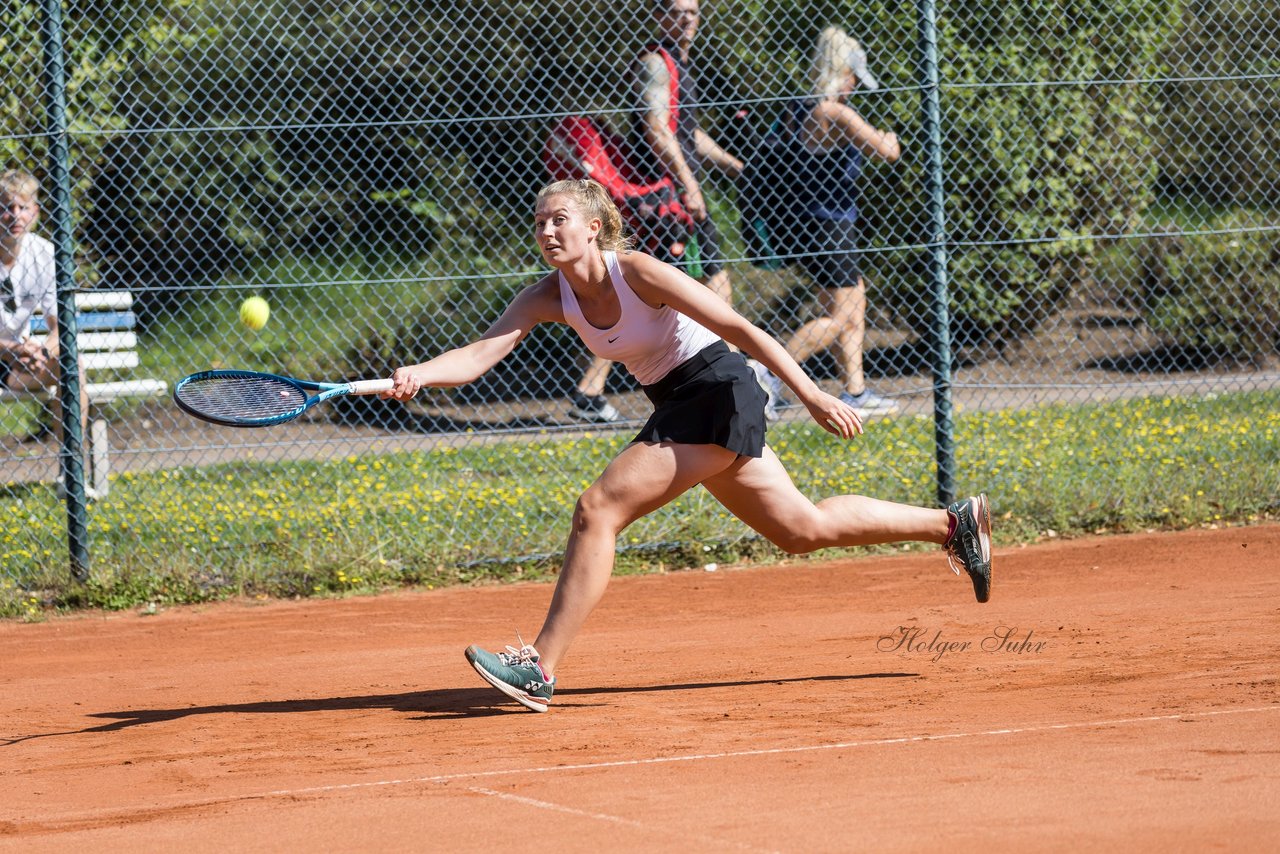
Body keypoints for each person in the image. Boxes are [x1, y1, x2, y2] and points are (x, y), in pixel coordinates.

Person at [384, 178, 993, 713]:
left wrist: (811, 394)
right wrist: (418, 373)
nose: (546, 230)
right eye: (540, 221)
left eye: (559, 219)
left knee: (598, 508)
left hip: (718, 389)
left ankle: (539, 667)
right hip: (677, 400)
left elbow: (740, 328)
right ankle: (951, 524)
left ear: (594, 228)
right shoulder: (548, 295)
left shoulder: (639, 272)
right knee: (801, 530)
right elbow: (479, 355)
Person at [567, 0, 745, 424]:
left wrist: (734, 166)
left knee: (672, 290)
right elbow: (656, 127)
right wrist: (689, 183)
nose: (686, 19)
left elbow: (686, 131)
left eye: (693, 12)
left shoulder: (679, 63)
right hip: (662, 199)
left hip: (675, 194)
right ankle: (741, 376)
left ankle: (588, 392)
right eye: (676, 11)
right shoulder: (655, 63)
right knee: (705, 281)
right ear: (658, 15)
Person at [752, 26, 902, 418]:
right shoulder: (835, 112)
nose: (855, 87)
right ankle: (766, 374)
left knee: (855, 304)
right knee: (838, 317)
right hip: (831, 225)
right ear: (843, 73)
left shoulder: (798, 108)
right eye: (854, 79)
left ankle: (855, 390)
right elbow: (887, 151)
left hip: (816, 222)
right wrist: (891, 133)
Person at [0, 169, 92, 494]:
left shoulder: (45, 254)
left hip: (22, 360)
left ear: (36, 212)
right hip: (7, 354)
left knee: (72, 368)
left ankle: (70, 474)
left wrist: (42, 352)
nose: (15, 215)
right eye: (7, 207)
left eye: (23, 207)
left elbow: (60, 326)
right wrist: (12, 350)